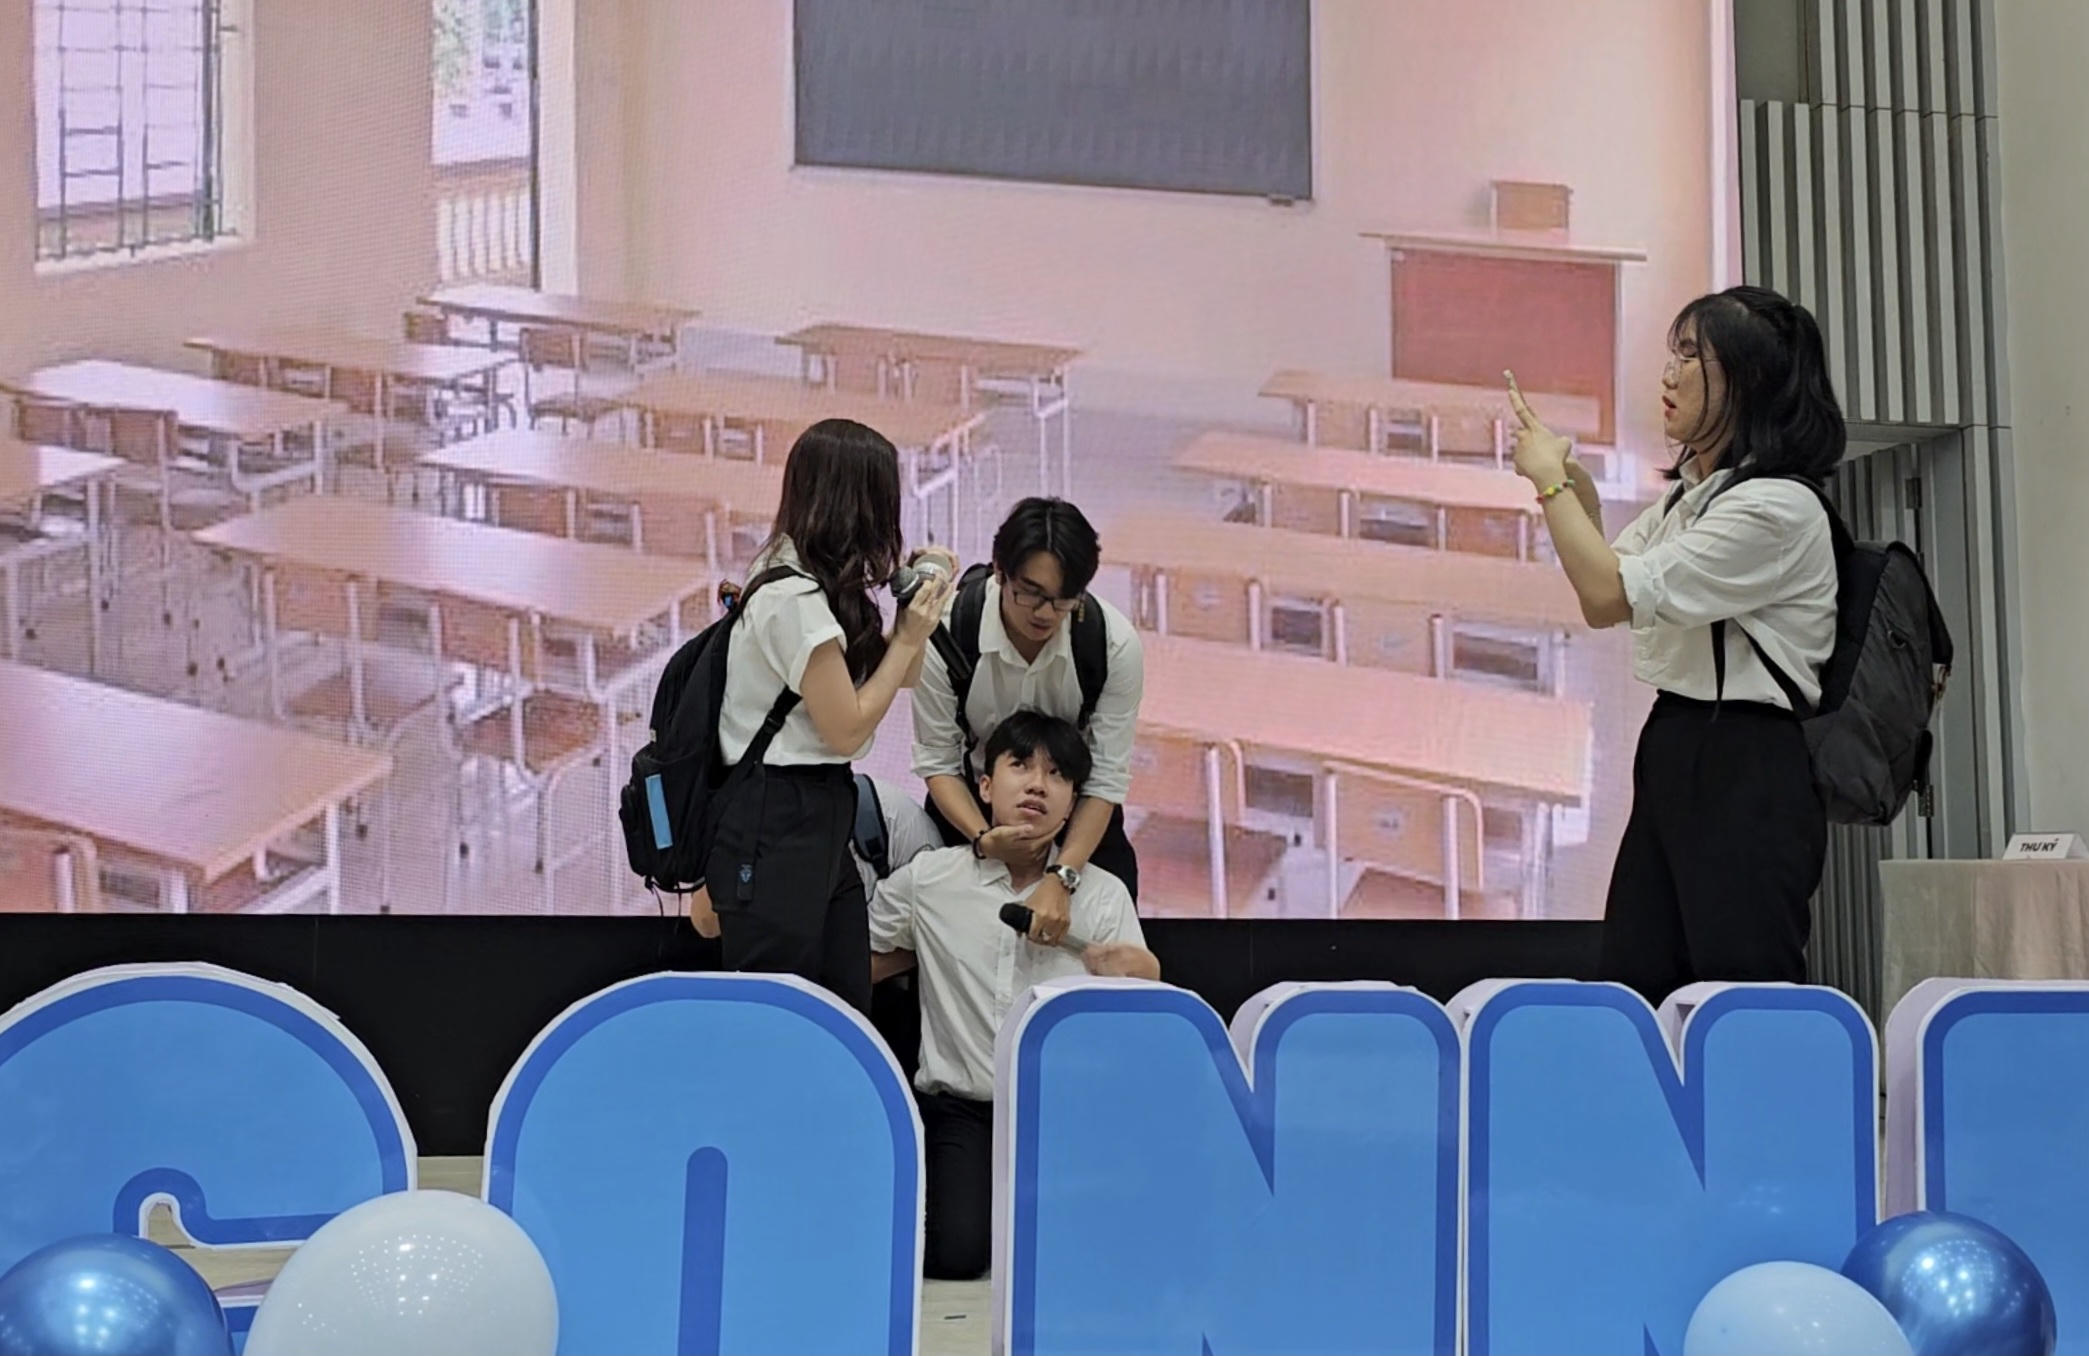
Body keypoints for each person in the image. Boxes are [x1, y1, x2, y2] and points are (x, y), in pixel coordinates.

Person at [1504, 285, 1842, 1004]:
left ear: (1746, 380)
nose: (1668, 374)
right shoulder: (1698, 493)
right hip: (1681, 738)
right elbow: (1606, 589)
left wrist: (1550, 486)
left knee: (1743, 991)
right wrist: (1570, 490)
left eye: (1690, 357)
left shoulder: (1775, 507)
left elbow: (1607, 593)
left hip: (1747, 757)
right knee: (1641, 978)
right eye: (1673, 354)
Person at [870, 710, 1158, 1279]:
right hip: (962, 1107)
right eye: (1020, 766)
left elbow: (1143, 1008)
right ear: (984, 785)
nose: (1037, 785)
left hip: (1065, 1108)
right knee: (955, 1256)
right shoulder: (931, 880)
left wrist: (1142, 971)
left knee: (1080, 1259)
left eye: (1057, 775)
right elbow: (861, 953)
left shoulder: (1103, 894)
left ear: (1073, 804)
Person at [686, 418, 955, 1015]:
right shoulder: (792, 599)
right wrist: (911, 637)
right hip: (777, 817)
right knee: (777, 1016)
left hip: (820, 809)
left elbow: (897, 677)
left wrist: (917, 613)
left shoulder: (817, 582)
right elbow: (848, 730)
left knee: (842, 1004)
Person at [911, 497, 1145, 949]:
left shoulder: (1113, 646)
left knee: (1110, 949)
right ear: (1000, 571)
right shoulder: (946, 630)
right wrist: (984, 839)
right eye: (1030, 592)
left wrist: (1064, 874)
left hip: (1073, 807)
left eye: (1063, 599)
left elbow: (1106, 779)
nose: (1044, 613)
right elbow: (938, 760)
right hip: (972, 805)